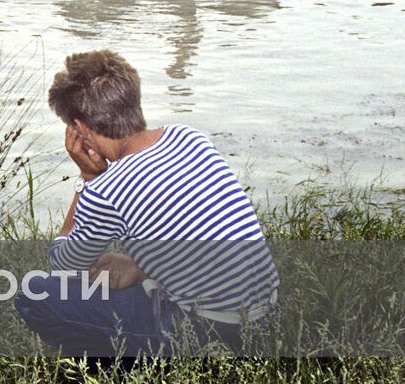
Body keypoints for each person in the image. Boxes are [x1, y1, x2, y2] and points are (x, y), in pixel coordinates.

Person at [14, 50, 278, 359]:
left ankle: (118, 371)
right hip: (267, 317)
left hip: (207, 334)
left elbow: (63, 263)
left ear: (80, 129)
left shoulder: (106, 190)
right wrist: (140, 269)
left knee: (34, 295)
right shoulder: (189, 137)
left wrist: (87, 176)